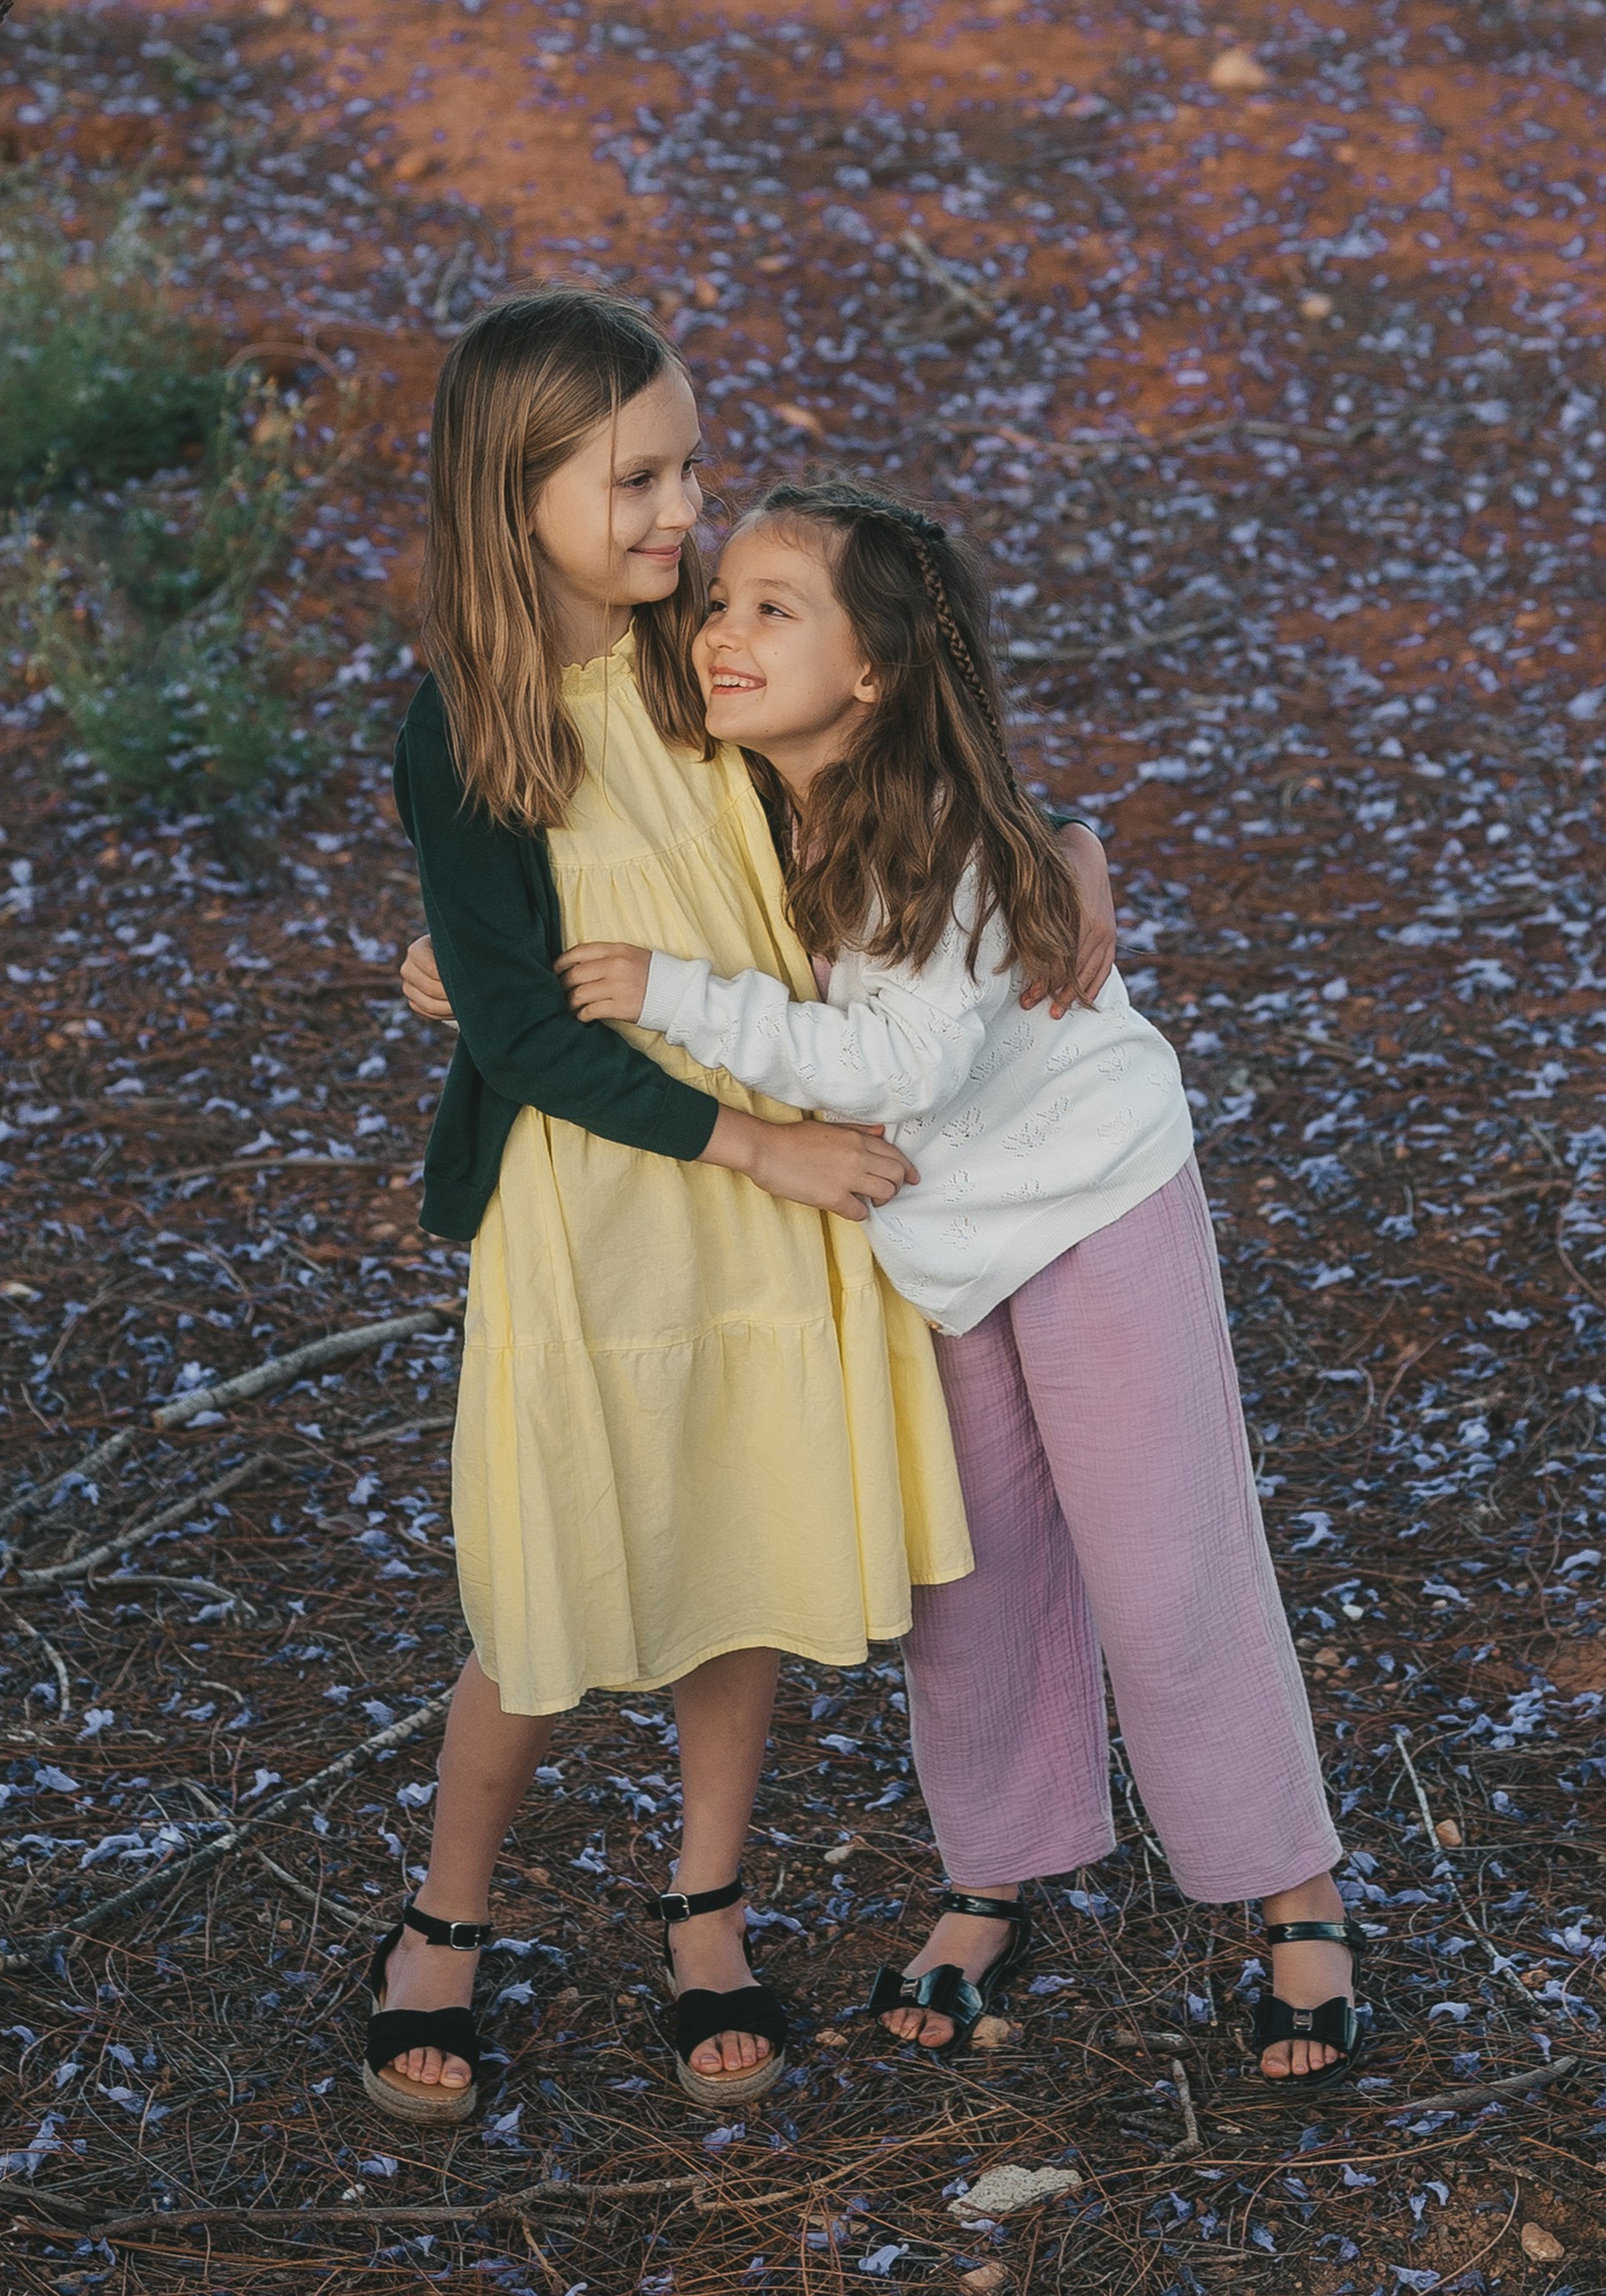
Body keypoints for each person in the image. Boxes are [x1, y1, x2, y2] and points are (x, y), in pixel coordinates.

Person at [369, 290, 1112, 2131]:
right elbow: (538, 1032)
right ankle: (436, 1927)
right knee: (541, 1581)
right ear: (508, 486)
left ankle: (704, 1906)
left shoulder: (685, 669)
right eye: (632, 479)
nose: (678, 514)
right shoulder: (464, 728)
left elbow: (883, 792)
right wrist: (730, 1131)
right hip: (612, 1197)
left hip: (775, 1177)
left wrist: (1058, 846)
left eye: (685, 468)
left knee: (738, 1542)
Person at [551, 481, 1366, 2084]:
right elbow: (588, 840)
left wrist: (681, 994)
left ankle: (1298, 1894)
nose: (724, 630)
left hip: (1090, 1207)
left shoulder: (940, 839)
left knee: (1163, 1567)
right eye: (725, 600)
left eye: (777, 608)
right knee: (966, 1584)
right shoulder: (750, 787)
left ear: (874, 675)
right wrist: (465, 956)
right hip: (936, 1254)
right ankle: (995, 1871)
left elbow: (898, 1066)